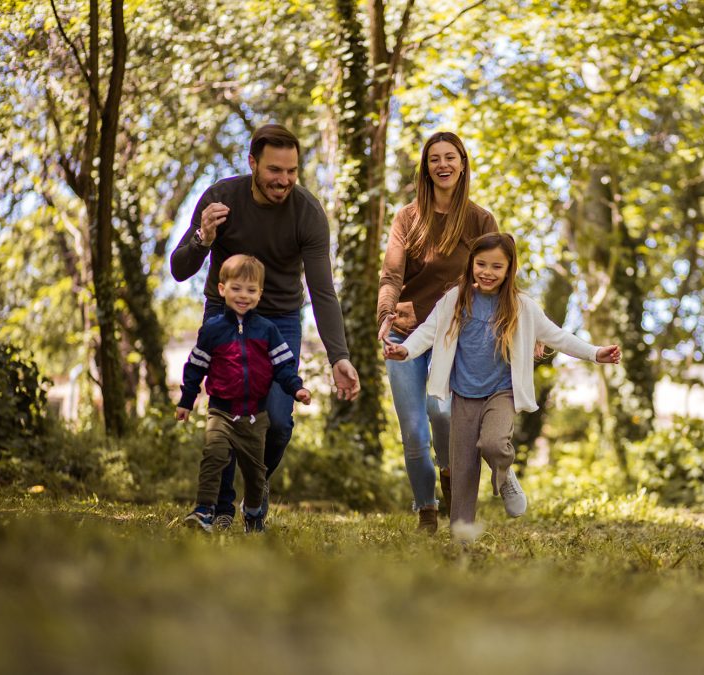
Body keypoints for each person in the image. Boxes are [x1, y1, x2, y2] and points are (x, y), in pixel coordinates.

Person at [171, 124, 359, 530]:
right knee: (225, 411)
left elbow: (323, 292)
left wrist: (338, 357)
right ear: (252, 163)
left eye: (292, 171)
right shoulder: (221, 197)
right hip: (223, 313)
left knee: (278, 420)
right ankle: (219, 509)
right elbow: (179, 269)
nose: (284, 180)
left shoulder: (307, 212)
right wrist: (203, 236)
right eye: (275, 170)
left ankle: (256, 489)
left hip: (279, 319)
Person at [385, 232, 622, 527]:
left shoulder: (522, 307)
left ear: (510, 269)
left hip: (501, 392)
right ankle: (461, 535)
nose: (487, 272)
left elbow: (557, 336)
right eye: (481, 264)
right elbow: (427, 331)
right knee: (462, 471)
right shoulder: (455, 299)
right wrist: (405, 350)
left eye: (497, 267)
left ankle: (505, 473)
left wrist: (595, 353)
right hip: (462, 394)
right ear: (471, 263)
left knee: (494, 445)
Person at [378, 131, 498, 533]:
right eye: (434, 159)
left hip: (454, 335)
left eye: (450, 157)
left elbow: (497, 276)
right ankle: (426, 511)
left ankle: (450, 472)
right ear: (426, 169)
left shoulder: (480, 220)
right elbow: (392, 274)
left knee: (441, 410)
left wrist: (517, 326)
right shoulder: (407, 218)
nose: (442, 165)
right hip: (407, 335)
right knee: (412, 430)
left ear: (462, 164)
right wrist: (385, 315)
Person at [176, 255, 312, 533]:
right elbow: (195, 367)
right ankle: (204, 510)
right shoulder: (213, 329)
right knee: (213, 455)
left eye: (251, 290)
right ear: (222, 288)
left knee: (255, 474)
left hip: (255, 416)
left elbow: (283, 366)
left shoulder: (268, 330)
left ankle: (252, 512)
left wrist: (296, 388)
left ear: (260, 294)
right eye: (236, 288)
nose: (243, 296)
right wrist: (186, 401)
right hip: (221, 411)